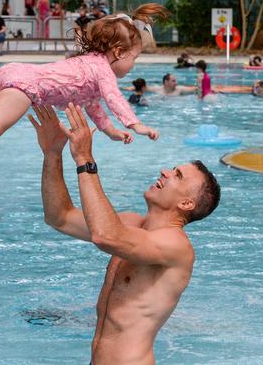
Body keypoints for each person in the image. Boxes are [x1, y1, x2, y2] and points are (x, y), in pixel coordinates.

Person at [28, 103, 220, 365]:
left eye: (177, 175)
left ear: (186, 204)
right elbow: (59, 217)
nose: (165, 171)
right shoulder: (131, 224)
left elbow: (104, 236)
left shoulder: (176, 246)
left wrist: (85, 159)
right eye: (172, 168)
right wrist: (52, 153)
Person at [0, 3, 167, 167]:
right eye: (135, 58)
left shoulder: (89, 64)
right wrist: (135, 124)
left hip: (15, 72)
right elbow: (113, 97)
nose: (133, 66)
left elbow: (96, 106)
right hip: (26, 87)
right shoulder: (102, 68)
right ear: (118, 52)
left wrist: (110, 132)